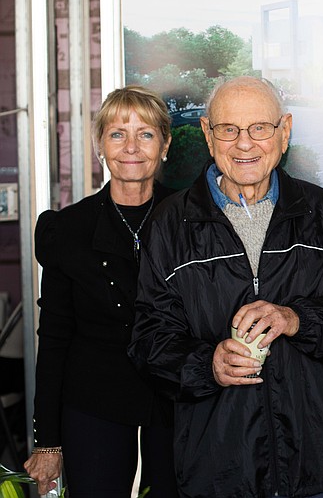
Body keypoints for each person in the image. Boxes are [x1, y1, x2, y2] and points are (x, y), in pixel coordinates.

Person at [128, 76, 323, 498]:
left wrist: (296, 319)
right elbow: (149, 340)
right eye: (229, 129)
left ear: (285, 131)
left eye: (260, 127)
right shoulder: (169, 224)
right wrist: (208, 365)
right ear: (208, 135)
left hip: (320, 465)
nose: (245, 144)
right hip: (220, 469)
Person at [25, 86, 178, 497]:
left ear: (165, 146)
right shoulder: (68, 229)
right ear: (100, 146)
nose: (131, 147)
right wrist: (47, 442)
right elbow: (54, 339)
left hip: (177, 400)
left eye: (146, 134)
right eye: (117, 134)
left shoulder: (191, 220)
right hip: (93, 404)